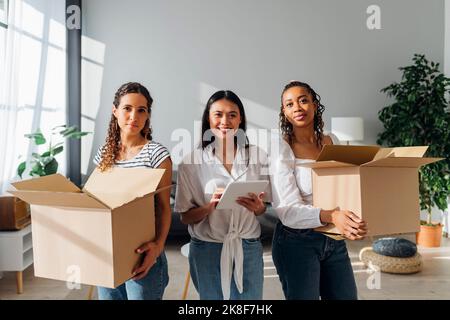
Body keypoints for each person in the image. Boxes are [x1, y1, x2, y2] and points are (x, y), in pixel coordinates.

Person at [270, 80, 367, 300]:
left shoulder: (333, 141)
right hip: (296, 241)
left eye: (303, 100)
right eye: (289, 104)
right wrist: (332, 215)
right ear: (285, 113)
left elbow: (347, 188)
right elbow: (287, 210)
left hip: (333, 238)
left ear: (315, 105)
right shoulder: (281, 147)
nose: (297, 107)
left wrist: (352, 222)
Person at [174, 90, 270, 300]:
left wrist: (258, 208)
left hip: (248, 245)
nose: (224, 121)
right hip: (208, 248)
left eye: (232, 114)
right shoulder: (191, 162)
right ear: (208, 118)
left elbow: (264, 206)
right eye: (218, 114)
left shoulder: (258, 155)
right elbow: (185, 216)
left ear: (240, 119)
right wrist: (208, 208)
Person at [93, 82, 172, 300]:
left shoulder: (157, 154)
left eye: (141, 110)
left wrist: (157, 248)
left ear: (148, 115)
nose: (133, 116)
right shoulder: (103, 155)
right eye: (127, 108)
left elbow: (165, 208)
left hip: (143, 256)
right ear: (115, 110)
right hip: (108, 253)